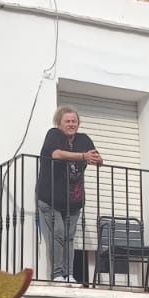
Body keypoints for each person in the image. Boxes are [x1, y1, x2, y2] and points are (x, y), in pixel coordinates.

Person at [35, 105, 100, 282]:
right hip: (50, 198)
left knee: (69, 237)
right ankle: (57, 274)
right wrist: (83, 156)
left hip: (74, 200)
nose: (71, 124)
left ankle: (69, 274)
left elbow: (95, 157)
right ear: (59, 123)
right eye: (67, 121)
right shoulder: (54, 134)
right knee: (57, 233)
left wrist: (97, 159)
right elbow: (56, 154)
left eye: (74, 121)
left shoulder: (84, 139)